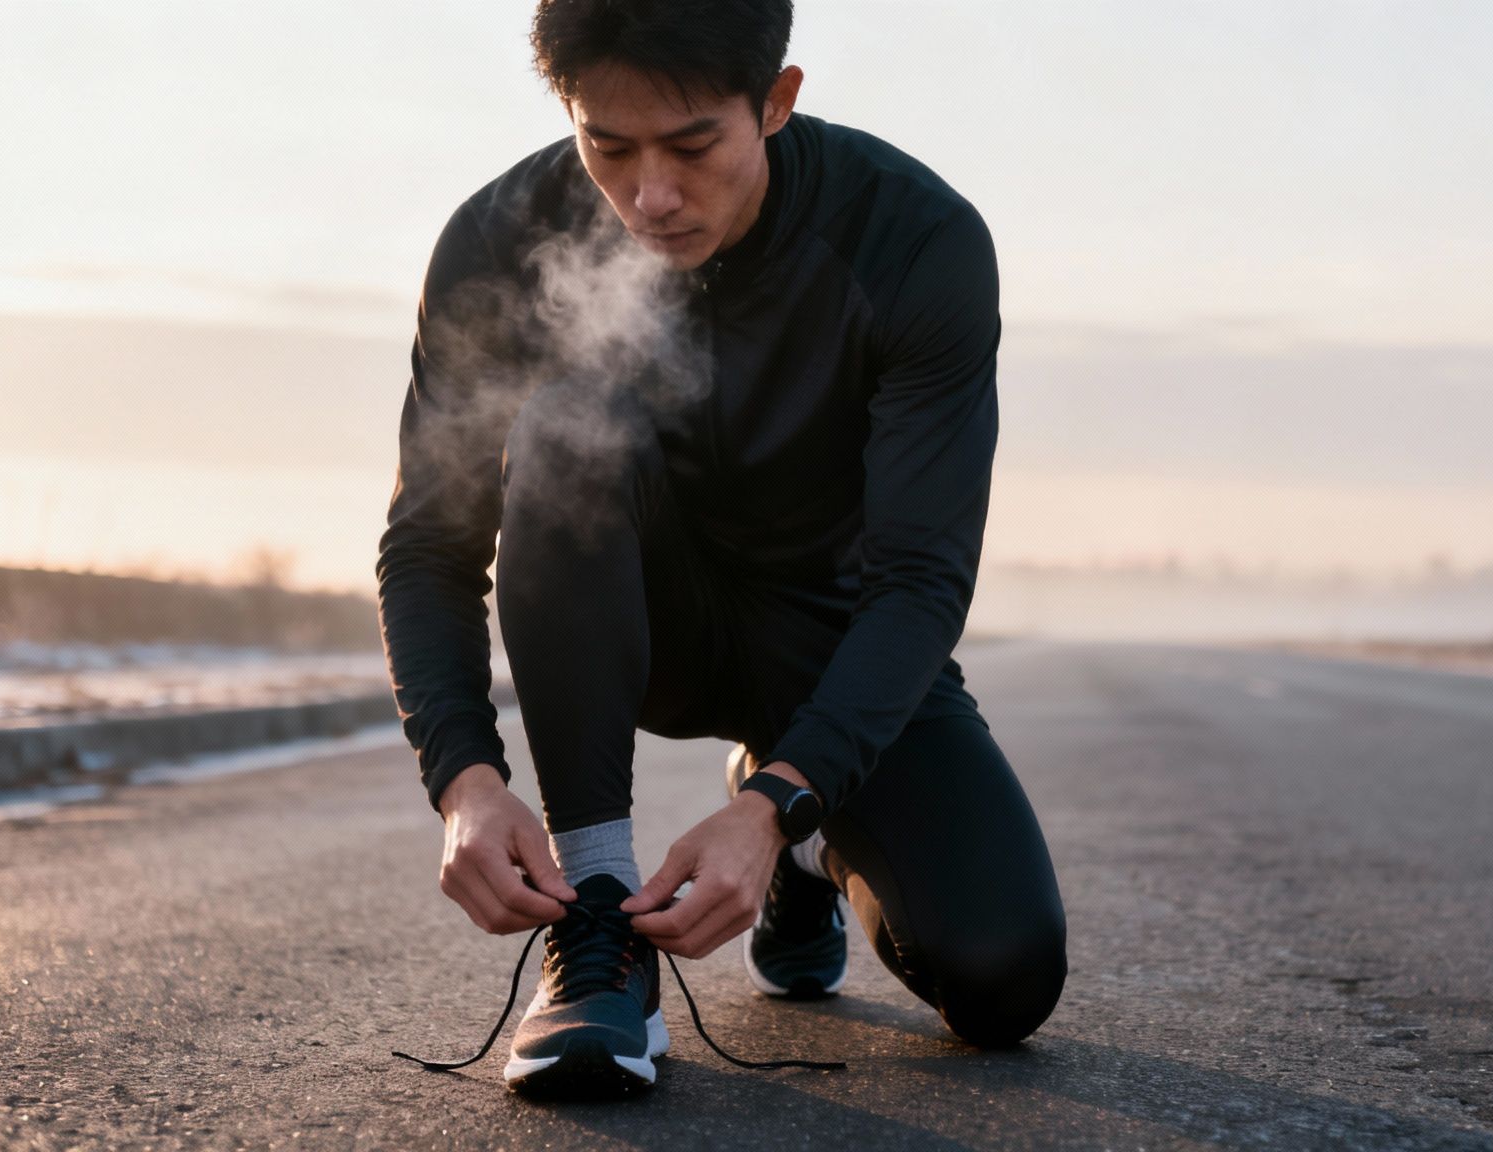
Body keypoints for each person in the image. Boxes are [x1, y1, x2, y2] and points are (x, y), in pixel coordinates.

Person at [377, 0, 1065, 1100]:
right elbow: (426, 546)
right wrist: (459, 777)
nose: (650, 194)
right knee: (563, 426)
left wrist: (776, 804)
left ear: (777, 101)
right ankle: (600, 934)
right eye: (608, 145)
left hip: (835, 648)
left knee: (1002, 983)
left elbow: (919, 581)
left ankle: (802, 850)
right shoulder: (500, 241)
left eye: (693, 144)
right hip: (642, 627)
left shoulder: (914, 239)